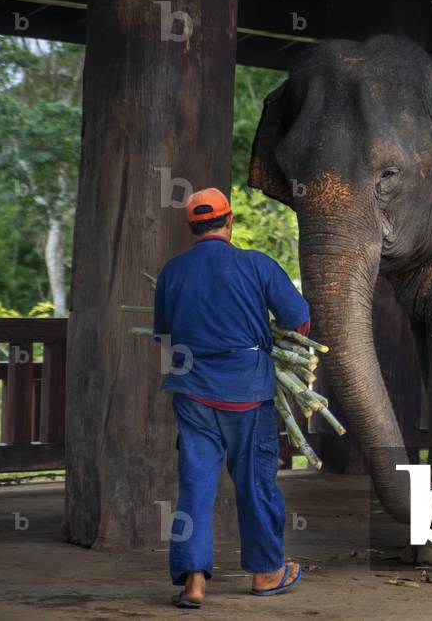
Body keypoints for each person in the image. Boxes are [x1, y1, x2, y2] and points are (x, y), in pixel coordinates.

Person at [154, 187, 309, 609]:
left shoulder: (171, 272)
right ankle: (265, 572)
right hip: (247, 394)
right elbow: (300, 320)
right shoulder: (256, 265)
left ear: (191, 227)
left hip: (192, 394)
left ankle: (194, 583)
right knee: (256, 483)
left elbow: (165, 339)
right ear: (230, 221)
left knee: (195, 487)